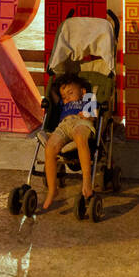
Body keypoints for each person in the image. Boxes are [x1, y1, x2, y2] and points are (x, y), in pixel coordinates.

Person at [42, 75, 98, 209]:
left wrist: (88, 116)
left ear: (83, 91)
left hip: (81, 123)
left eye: (70, 93)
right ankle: (52, 190)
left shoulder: (88, 98)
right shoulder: (63, 103)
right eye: (64, 96)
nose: (66, 98)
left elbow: (94, 114)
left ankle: (86, 181)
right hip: (64, 125)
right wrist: (54, 79)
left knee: (80, 136)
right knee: (50, 147)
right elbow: (54, 94)